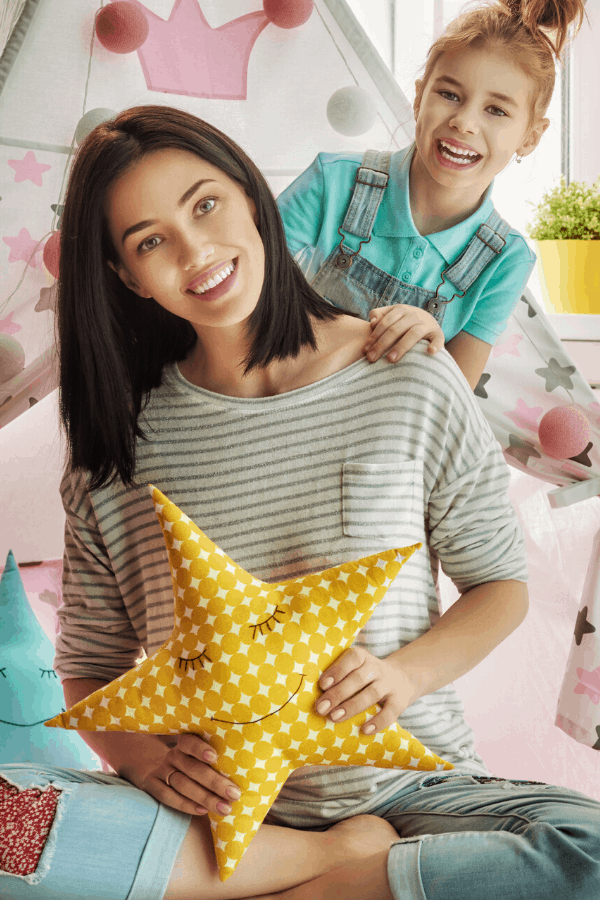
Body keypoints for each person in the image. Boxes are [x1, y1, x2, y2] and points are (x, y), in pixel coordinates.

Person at [14, 103, 594, 900]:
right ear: (124, 275)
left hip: (409, 797)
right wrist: (146, 761)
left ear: (254, 197)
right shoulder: (118, 449)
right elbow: (90, 667)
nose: (196, 249)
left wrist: (404, 678)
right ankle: (316, 867)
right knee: (10, 825)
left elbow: (500, 588)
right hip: (217, 825)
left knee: (588, 847)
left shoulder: (409, 376)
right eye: (150, 240)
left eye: (206, 203)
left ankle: (322, 887)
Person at [277, 0, 587, 388]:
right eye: (450, 95)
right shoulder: (331, 182)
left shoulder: (507, 260)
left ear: (530, 138)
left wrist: (430, 343)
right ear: (420, 97)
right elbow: (250, 306)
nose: (464, 122)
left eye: (496, 110)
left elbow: (453, 402)